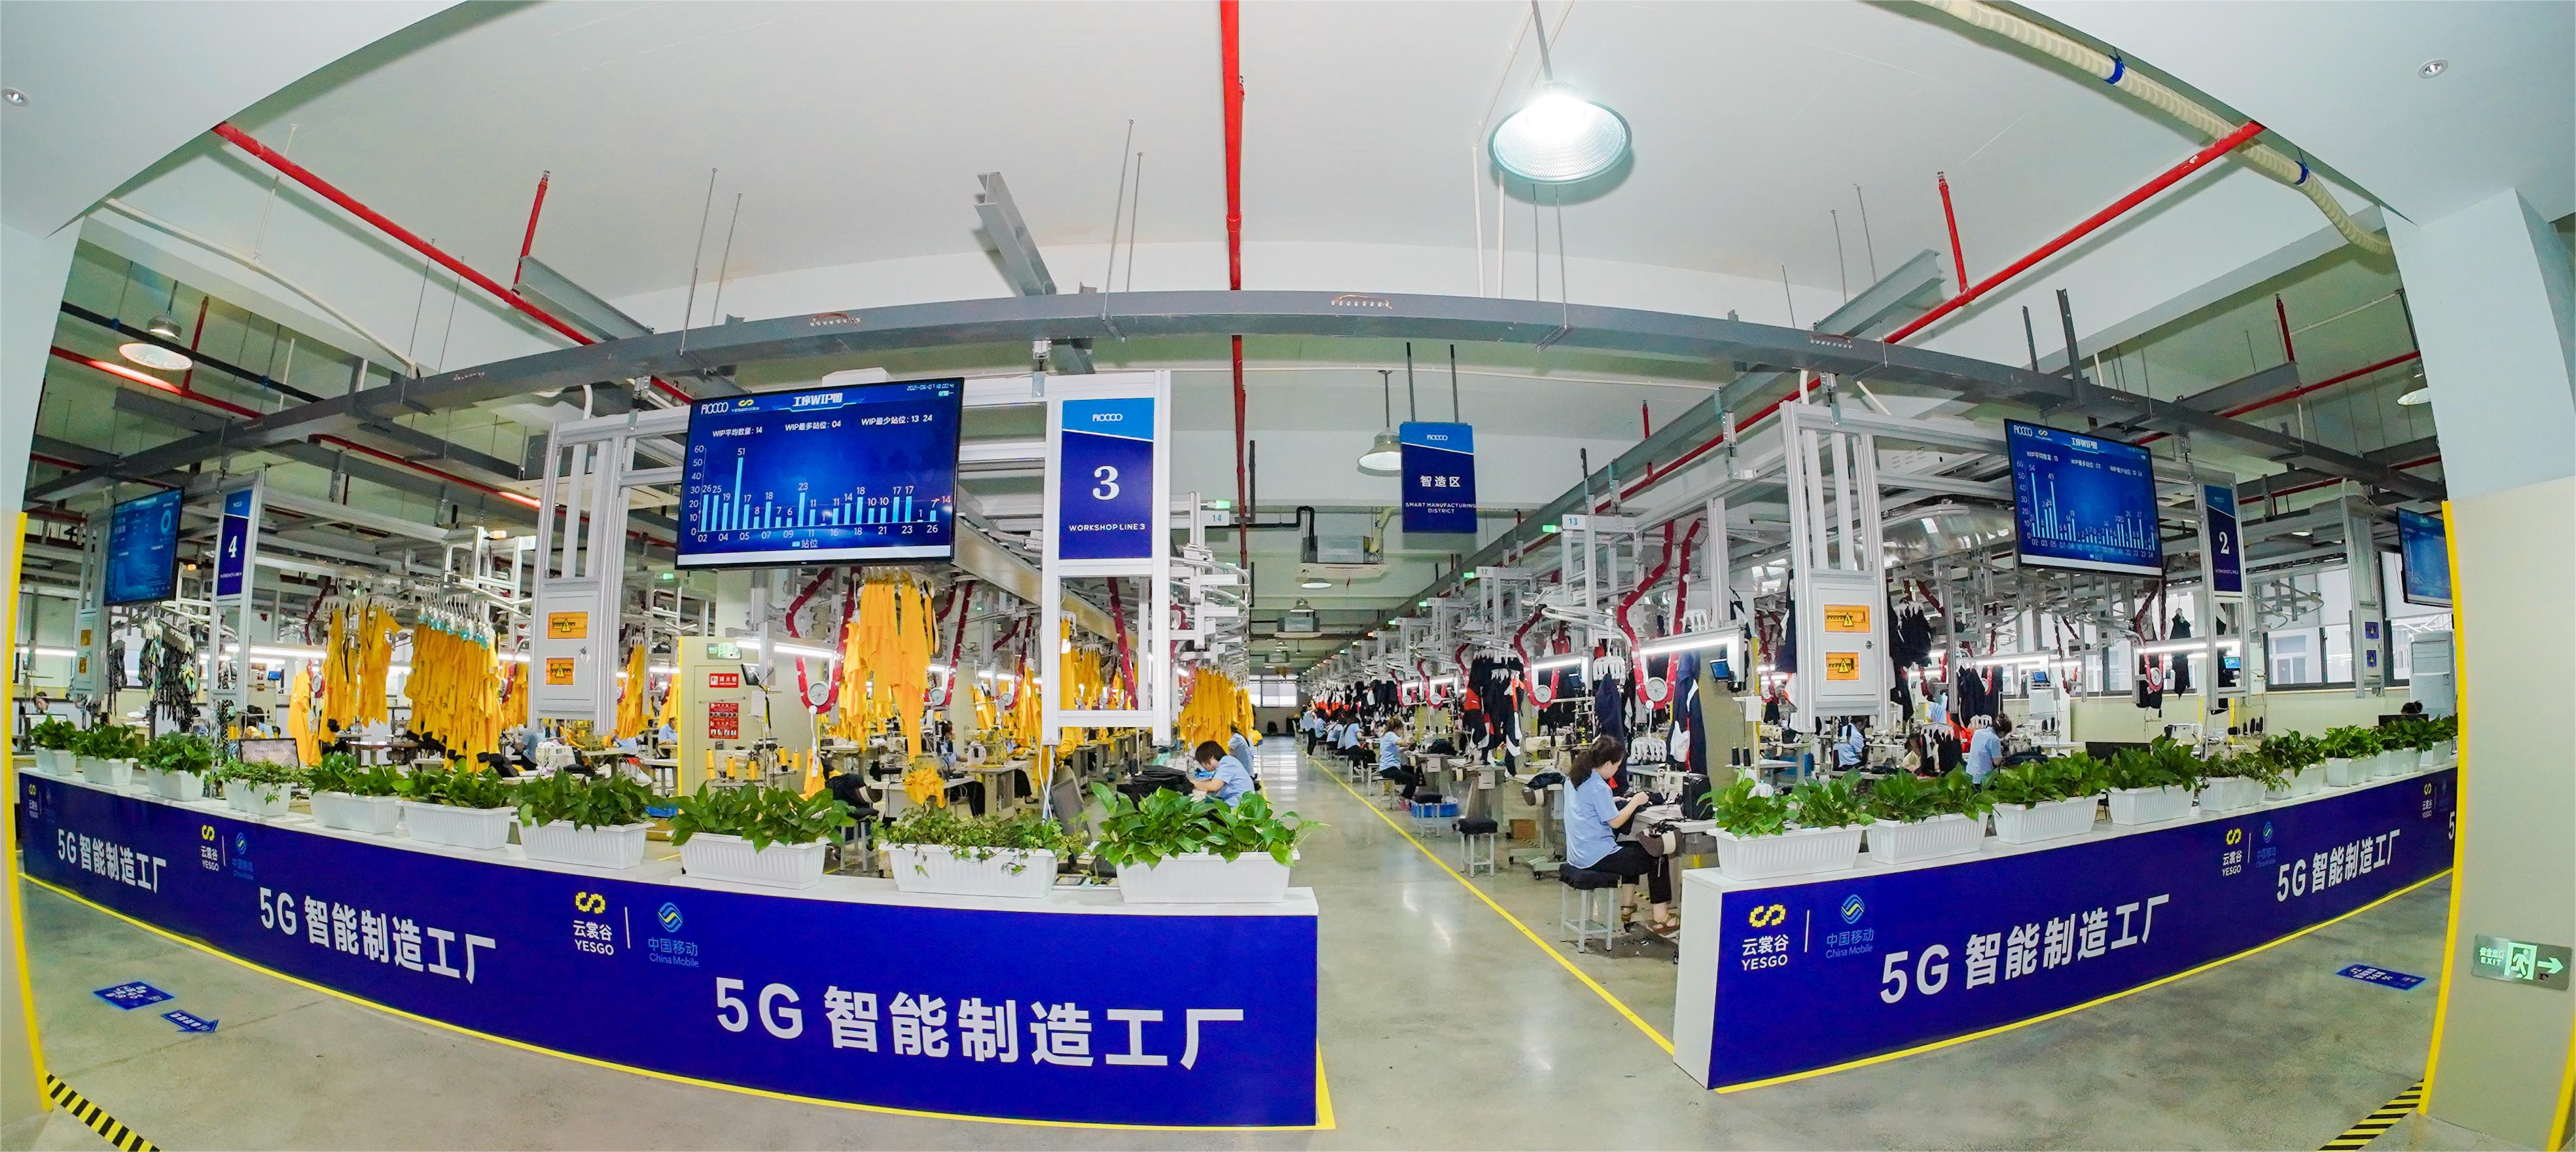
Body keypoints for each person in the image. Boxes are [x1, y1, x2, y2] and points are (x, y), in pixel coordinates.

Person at [1560, 735, 1672, 931]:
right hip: (1596, 856)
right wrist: (1635, 801)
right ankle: (1661, 916)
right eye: (1617, 766)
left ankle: (1628, 907)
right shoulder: (1599, 787)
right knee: (1657, 853)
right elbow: (1615, 821)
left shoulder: (1574, 779)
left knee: (1636, 848)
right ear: (1607, 764)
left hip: (1578, 853)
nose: (1617, 770)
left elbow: (1586, 807)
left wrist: (1611, 802)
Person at [1189, 740, 1256, 806]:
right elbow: (1214, 781)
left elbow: (1214, 786)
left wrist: (1190, 783)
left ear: (1211, 757)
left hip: (1240, 807)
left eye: (1201, 762)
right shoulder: (1227, 761)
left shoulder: (1227, 763)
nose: (1203, 766)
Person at [1964, 715, 2010, 784]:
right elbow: (1997, 762)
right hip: (1983, 779)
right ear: (2002, 733)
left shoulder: (1977, 733)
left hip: (1970, 775)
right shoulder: (1995, 739)